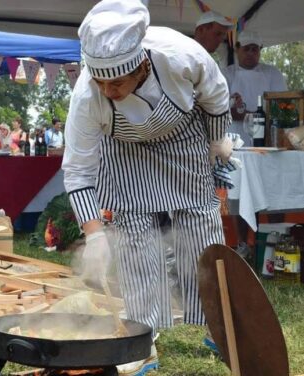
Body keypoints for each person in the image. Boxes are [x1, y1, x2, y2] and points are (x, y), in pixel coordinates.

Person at [62, 0, 231, 372]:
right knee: (136, 243)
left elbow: (216, 97)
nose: (108, 90)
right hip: (122, 154)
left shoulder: (181, 54)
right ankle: (142, 340)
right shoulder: (86, 97)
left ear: (140, 66)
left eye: (117, 82)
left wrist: (218, 142)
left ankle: (222, 329)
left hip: (182, 143)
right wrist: (93, 236)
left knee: (201, 239)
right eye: (100, 81)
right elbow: (78, 172)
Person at [221, 31, 287, 257]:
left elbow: (283, 105)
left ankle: (277, 239)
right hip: (234, 141)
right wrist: (233, 109)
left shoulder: (272, 74)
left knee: (273, 188)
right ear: (237, 48)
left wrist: (250, 114)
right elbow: (216, 106)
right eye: (246, 48)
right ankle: (242, 244)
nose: (250, 53)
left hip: (268, 140)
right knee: (237, 193)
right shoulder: (226, 73)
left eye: (255, 49)